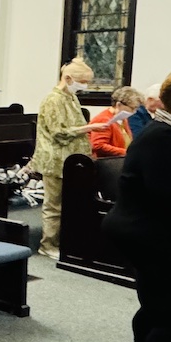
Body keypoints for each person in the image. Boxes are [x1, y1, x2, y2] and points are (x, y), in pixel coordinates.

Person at [103, 70, 171, 342]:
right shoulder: (162, 138)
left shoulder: (168, 133)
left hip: (153, 231)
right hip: (146, 234)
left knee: (158, 307)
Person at [28, 57, 108, 259]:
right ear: (69, 78)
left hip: (71, 158)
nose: (85, 86)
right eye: (83, 81)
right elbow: (58, 132)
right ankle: (48, 244)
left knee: (70, 203)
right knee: (54, 205)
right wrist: (90, 128)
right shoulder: (53, 99)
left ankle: (65, 241)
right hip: (55, 158)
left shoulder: (70, 97)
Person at [90, 86, 143, 158]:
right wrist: (126, 152)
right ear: (119, 105)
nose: (134, 112)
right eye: (132, 108)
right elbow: (98, 145)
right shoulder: (104, 119)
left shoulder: (123, 119)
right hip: (108, 163)